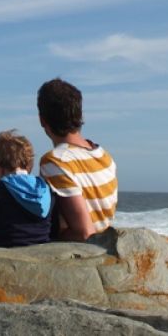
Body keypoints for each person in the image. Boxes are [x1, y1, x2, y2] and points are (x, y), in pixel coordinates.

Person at [37, 78, 117, 241]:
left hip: (81, 253)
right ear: (79, 114)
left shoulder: (55, 162)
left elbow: (85, 233)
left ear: (42, 120)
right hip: (106, 248)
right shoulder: (104, 156)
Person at [0, 130, 53, 247]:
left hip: (10, 248)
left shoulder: (0, 189)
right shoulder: (43, 187)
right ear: (28, 164)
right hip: (42, 246)